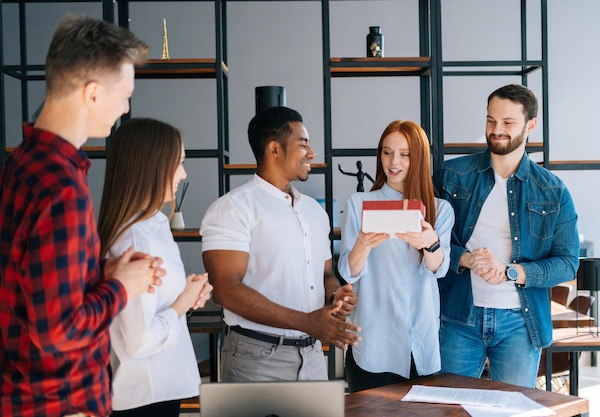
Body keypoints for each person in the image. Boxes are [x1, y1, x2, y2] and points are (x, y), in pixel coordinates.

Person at [0, 15, 164, 417]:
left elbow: (28, 281)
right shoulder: (62, 189)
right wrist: (121, 288)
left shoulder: (23, 163)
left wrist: (99, 273)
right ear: (92, 94)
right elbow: (58, 333)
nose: (126, 107)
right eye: (125, 94)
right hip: (61, 403)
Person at [433, 84, 579, 388]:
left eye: (508, 123)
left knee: (513, 411)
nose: (496, 130)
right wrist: (468, 259)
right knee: (446, 408)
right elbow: (429, 243)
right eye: (491, 120)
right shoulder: (450, 176)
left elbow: (567, 263)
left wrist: (512, 271)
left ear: (531, 125)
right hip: (459, 317)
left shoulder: (552, 191)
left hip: (520, 324)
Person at [201, 106, 361, 382]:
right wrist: (307, 321)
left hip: (311, 356)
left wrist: (336, 298)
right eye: (303, 144)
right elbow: (226, 290)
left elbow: (325, 275)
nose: (311, 153)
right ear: (275, 149)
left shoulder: (314, 211)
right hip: (255, 359)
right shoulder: (232, 208)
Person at [98, 118, 213, 417]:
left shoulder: (155, 225)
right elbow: (139, 341)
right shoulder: (134, 237)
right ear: (153, 166)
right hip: (144, 398)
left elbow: (156, 306)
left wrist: (188, 296)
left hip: (160, 390)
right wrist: (182, 303)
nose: (184, 174)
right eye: (179, 163)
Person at [337, 120, 454, 393]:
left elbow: (440, 269)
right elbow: (349, 271)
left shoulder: (440, 209)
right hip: (372, 341)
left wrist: (430, 243)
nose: (394, 161)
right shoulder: (359, 204)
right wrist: (363, 244)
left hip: (420, 343)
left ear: (419, 158)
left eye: (404, 154)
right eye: (387, 152)